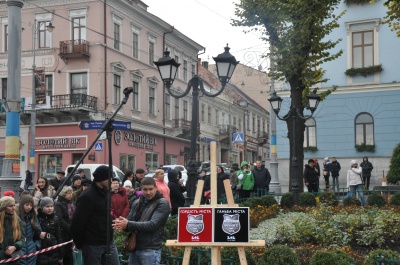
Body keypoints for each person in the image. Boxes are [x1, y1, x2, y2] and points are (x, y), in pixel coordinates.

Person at [112, 177, 170, 265]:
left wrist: (128, 224)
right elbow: (129, 222)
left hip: (150, 249)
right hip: (134, 248)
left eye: (151, 189)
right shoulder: (137, 202)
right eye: (145, 189)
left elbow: (152, 225)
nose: (148, 192)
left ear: (155, 188)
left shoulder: (162, 203)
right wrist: (121, 224)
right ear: (141, 189)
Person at [70, 165, 120, 265]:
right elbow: (77, 222)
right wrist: (80, 244)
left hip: (108, 241)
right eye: (109, 178)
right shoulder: (87, 196)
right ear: (101, 178)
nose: (111, 181)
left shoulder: (105, 193)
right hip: (92, 244)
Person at [36, 197, 63, 265]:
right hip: (41, 250)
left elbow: (58, 236)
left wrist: (61, 254)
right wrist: (38, 234)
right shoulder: (37, 219)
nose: (50, 208)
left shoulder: (55, 219)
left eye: (51, 206)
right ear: (42, 207)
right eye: (47, 206)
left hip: (54, 250)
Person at [17, 193, 42, 265]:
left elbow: (40, 233)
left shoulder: (33, 218)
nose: (29, 207)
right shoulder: (17, 218)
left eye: (31, 205)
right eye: (27, 205)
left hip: (32, 248)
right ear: (22, 205)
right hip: (20, 248)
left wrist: (37, 245)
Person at [0, 196, 25, 265]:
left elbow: (22, 238)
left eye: (14, 205)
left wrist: (15, 246)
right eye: (10, 206)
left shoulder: (17, 220)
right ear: (3, 207)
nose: (13, 208)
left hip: (14, 259)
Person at [55, 186, 75, 265]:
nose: (70, 195)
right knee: (64, 254)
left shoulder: (72, 204)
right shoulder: (59, 205)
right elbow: (60, 220)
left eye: (71, 193)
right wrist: (70, 229)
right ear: (64, 194)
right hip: (64, 233)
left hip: (71, 233)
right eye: (68, 193)